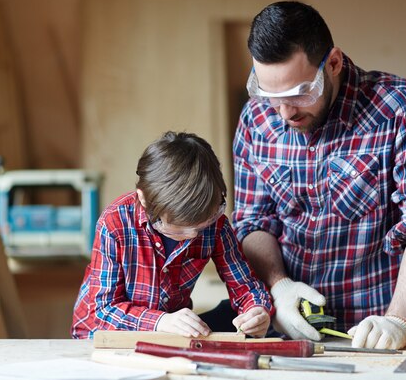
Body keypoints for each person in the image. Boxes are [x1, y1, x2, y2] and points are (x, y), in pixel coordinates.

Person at [232, 1, 406, 350]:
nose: (285, 112)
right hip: (288, 331)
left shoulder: (402, 111)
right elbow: (252, 221)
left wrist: (397, 320)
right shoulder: (256, 120)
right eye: (271, 96)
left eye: (299, 93)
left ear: (333, 63)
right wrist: (278, 287)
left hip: (374, 334)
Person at [72, 131, 272, 339]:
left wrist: (256, 310)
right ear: (144, 200)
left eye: (201, 226)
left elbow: (245, 285)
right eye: (179, 228)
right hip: (102, 333)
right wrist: (160, 320)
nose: (193, 235)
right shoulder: (114, 223)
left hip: (167, 334)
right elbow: (103, 310)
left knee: (228, 314)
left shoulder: (215, 224)